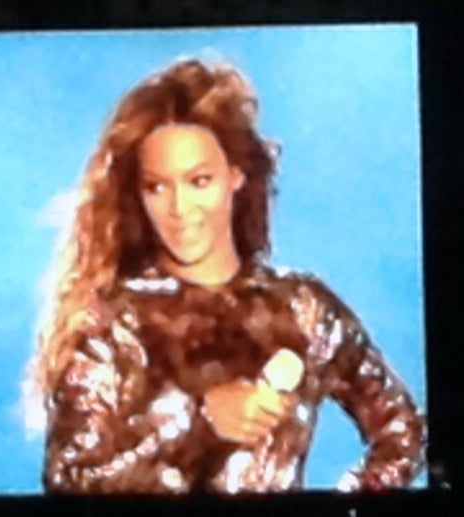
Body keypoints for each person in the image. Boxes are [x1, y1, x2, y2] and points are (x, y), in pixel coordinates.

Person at [35, 59, 426, 494]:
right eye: (157, 187)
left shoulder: (302, 310)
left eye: (199, 181)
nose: (179, 208)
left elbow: (403, 431)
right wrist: (195, 423)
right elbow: (68, 478)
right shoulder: (111, 324)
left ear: (235, 177)